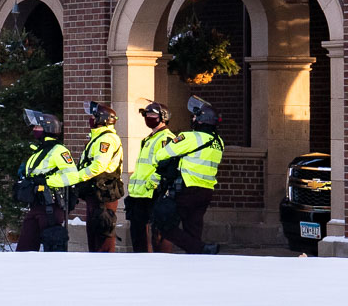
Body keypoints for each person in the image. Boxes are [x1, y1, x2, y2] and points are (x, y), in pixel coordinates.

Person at [153, 96, 225, 255]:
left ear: (200, 119)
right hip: (206, 191)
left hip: (187, 189)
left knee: (164, 224)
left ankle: (202, 249)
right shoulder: (219, 141)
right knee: (193, 228)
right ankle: (196, 259)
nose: (193, 118)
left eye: (194, 116)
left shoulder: (191, 137)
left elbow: (161, 154)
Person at [49, 101, 124, 253]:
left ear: (102, 119)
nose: (90, 119)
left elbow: (98, 166)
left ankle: (105, 267)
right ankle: (95, 266)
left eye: (93, 116)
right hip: (95, 193)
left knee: (103, 232)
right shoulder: (97, 138)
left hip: (104, 193)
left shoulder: (106, 139)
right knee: (94, 232)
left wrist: (78, 177)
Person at [16, 109, 76, 252]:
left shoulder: (59, 150)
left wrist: (47, 181)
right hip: (36, 204)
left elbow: (72, 176)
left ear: (48, 128)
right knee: (25, 248)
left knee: (53, 249)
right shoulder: (39, 150)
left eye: (38, 127)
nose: (34, 129)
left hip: (51, 205)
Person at [126, 101, 177, 253]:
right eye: (146, 115)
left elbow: (165, 166)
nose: (148, 117)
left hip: (151, 193)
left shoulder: (166, 138)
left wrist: (152, 184)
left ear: (163, 117)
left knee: (157, 234)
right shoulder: (150, 138)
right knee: (137, 234)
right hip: (139, 194)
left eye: (153, 114)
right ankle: (140, 264)